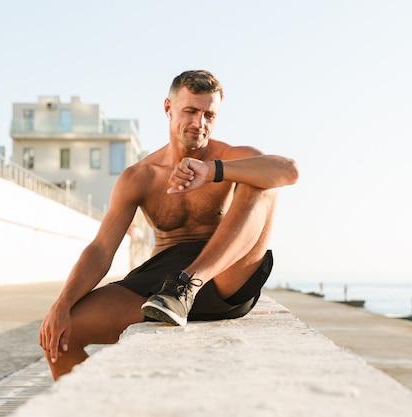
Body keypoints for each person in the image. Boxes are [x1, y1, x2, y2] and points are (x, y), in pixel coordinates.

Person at [39, 70, 299, 380]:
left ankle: (187, 284)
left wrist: (211, 170)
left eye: (208, 114)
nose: (198, 123)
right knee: (60, 339)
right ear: (168, 108)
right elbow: (101, 248)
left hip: (222, 275)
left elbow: (289, 171)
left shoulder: (228, 157)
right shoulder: (141, 176)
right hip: (162, 284)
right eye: (190, 111)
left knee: (262, 181)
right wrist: (62, 303)